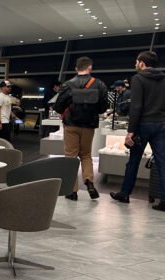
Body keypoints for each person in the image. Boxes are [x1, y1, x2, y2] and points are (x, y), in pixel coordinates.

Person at [111, 51, 165, 209]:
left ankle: (125, 194)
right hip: (161, 125)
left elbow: (136, 106)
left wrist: (130, 131)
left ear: (142, 63)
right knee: (162, 163)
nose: (135, 64)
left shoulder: (138, 78)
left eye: (136, 62)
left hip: (142, 126)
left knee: (133, 161)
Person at [54, 56, 108, 200]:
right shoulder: (100, 84)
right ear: (90, 68)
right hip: (89, 126)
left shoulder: (68, 84)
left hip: (71, 125)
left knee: (70, 156)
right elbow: (104, 107)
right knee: (86, 155)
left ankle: (72, 191)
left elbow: (58, 106)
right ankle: (89, 182)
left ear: (76, 68)